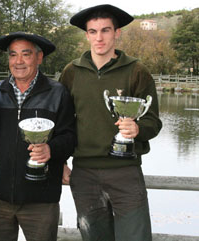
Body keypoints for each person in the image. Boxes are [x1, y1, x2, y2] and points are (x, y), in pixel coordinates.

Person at [59, 4, 163, 241]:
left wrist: (138, 128)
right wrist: (60, 161)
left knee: (135, 237)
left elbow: (153, 121)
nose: (99, 37)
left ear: (117, 32)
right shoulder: (71, 72)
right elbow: (62, 123)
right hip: (84, 173)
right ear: (86, 35)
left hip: (125, 171)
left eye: (105, 30)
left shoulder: (137, 70)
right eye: (93, 31)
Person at [0, 32, 76, 241]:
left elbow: (69, 136)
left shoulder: (58, 93)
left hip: (41, 201)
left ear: (39, 57)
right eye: (13, 55)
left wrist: (51, 149)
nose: (19, 61)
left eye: (26, 54)